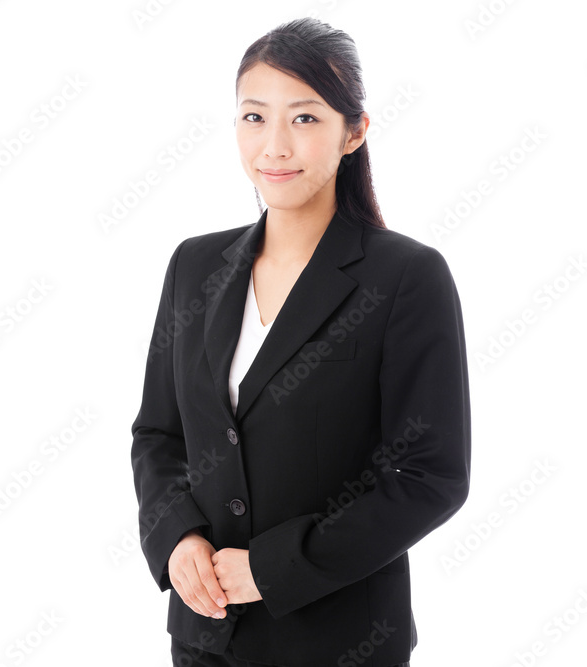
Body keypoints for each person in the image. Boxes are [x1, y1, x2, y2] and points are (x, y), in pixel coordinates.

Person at [129, 17, 470, 667]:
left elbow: (430, 476)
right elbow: (159, 435)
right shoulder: (193, 266)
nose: (274, 146)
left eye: (306, 118)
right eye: (254, 117)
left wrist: (276, 567)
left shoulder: (405, 277)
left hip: (339, 640)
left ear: (355, 131)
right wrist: (177, 539)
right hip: (205, 637)